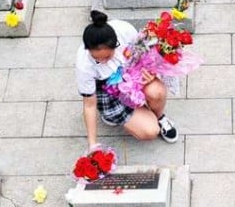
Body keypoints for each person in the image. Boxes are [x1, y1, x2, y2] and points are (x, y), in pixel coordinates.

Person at [76, 10, 178, 146]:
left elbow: (145, 53)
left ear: (115, 44)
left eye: (107, 56)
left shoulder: (124, 30)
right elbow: (89, 104)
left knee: (157, 91)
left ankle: (159, 116)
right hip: (110, 92)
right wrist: (92, 144)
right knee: (150, 131)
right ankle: (119, 115)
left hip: (133, 74)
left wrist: (151, 72)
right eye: (97, 58)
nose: (103, 61)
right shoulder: (84, 65)